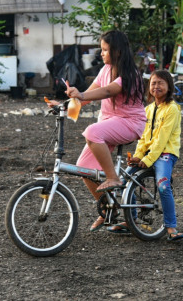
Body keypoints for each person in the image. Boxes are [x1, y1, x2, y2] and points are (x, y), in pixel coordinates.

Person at [64, 30, 147, 231]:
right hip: (110, 123)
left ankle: (113, 177)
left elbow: (109, 91)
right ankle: (109, 208)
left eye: (105, 50)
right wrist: (63, 104)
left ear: (117, 51)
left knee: (92, 132)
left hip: (130, 123)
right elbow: (89, 95)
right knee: (84, 167)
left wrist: (82, 95)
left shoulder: (130, 74)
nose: (101, 53)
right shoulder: (105, 70)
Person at [109, 69, 183, 241]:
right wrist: (138, 156)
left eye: (160, 83)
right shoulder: (148, 109)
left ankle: (171, 227)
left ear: (169, 86)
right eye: (153, 83)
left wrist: (148, 159)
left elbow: (162, 139)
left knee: (163, 186)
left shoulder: (172, 109)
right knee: (123, 181)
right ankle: (131, 220)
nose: (156, 86)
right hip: (148, 154)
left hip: (166, 153)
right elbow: (144, 137)